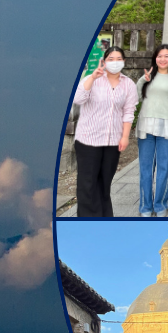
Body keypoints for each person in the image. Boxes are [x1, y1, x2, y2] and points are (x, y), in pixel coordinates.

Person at [69, 47, 135, 218]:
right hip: (88, 140)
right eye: (111, 59)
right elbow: (78, 99)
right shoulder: (92, 79)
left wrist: (125, 136)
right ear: (104, 61)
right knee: (87, 184)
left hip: (113, 141)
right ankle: (87, 219)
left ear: (124, 62)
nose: (115, 62)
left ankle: (105, 217)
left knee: (105, 183)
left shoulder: (128, 84)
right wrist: (92, 77)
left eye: (118, 59)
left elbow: (129, 111)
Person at [128, 46, 168, 218]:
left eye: (166, 56)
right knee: (145, 168)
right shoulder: (148, 76)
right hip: (146, 126)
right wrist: (142, 81)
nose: (163, 59)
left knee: (164, 168)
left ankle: (160, 205)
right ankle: (145, 206)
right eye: (160, 56)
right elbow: (135, 98)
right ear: (155, 58)